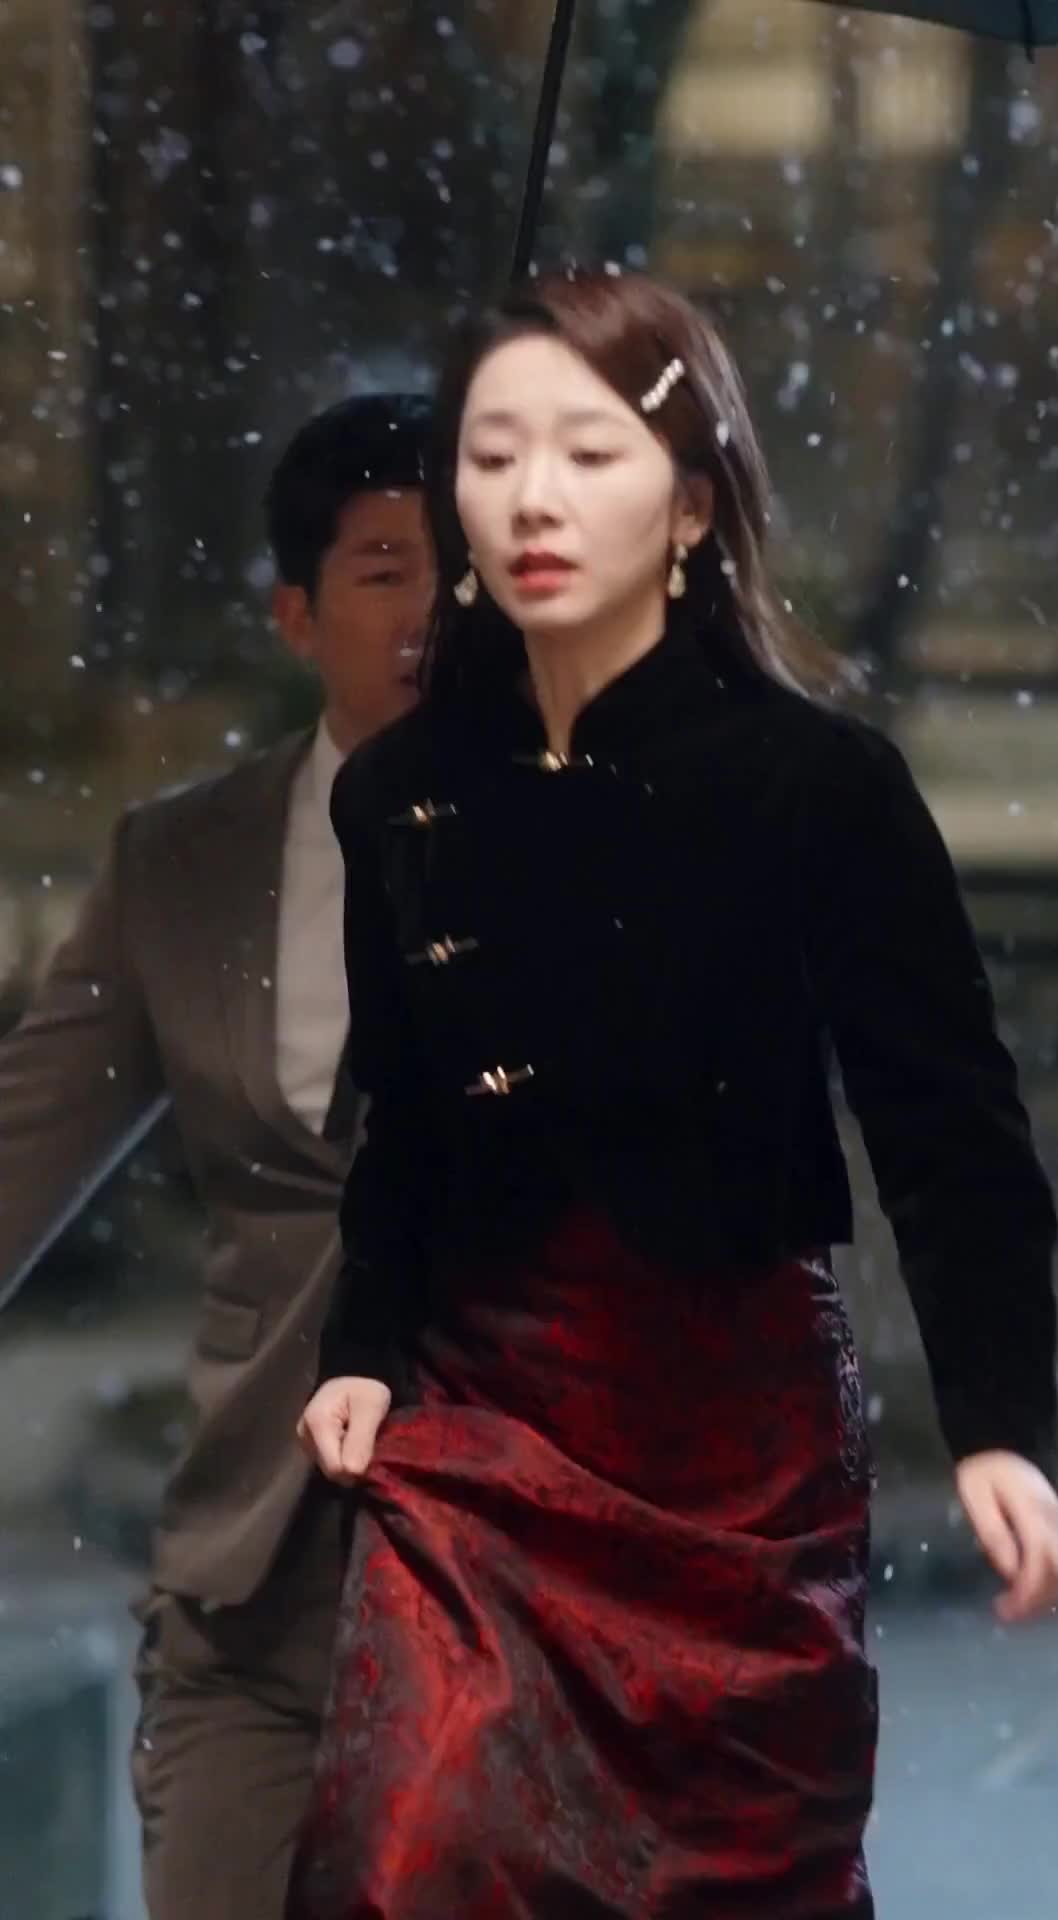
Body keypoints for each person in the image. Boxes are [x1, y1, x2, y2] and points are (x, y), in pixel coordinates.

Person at [291, 274, 1058, 1920]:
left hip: (733, 1435)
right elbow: (407, 1122)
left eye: (589, 453)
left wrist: (1001, 1423)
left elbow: (949, 1132)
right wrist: (361, 1345)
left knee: (726, 1886)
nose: (535, 498)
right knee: (403, 1848)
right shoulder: (403, 795)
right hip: (481, 1421)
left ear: (695, 507)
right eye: (492, 456)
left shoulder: (818, 785)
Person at [0, 393, 433, 1920]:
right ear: (296, 615)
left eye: (462, 570)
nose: (434, 609)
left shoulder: (604, 854)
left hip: (521, 1563)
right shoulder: (184, 864)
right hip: (256, 1580)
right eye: (386, 567)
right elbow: (21, 1148)